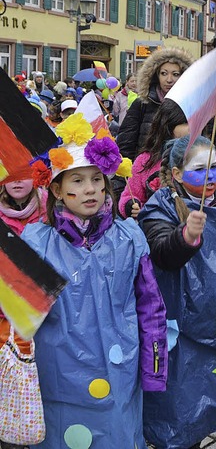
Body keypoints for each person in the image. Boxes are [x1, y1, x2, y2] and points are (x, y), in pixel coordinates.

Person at [20, 114, 168, 448]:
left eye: (96, 180)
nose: (90, 189)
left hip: (120, 373)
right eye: (77, 181)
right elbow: (18, 314)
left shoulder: (130, 239)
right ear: (57, 189)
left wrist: (154, 370)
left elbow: (151, 307)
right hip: (59, 377)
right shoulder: (36, 243)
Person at [138, 135, 216, 449]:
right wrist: (187, 236)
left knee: (204, 401)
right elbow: (163, 253)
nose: (210, 177)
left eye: (214, 167)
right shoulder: (160, 206)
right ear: (176, 174)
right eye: (199, 169)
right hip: (176, 330)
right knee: (173, 404)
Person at [119, 99, 216, 218]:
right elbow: (130, 195)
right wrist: (131, 206)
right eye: (186, 123)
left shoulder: (212, 158)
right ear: (168, 126)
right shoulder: (145, 161)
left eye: (197, 121)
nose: (193, 127)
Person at [0, 179, 47, 449]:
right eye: (10, 172)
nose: (17, 180)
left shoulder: (51, 214)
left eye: (23, 172)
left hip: (46, 330)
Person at [117, 47, 193, 160]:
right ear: (156, 75)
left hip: (181, 173)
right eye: (164, 73)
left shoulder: (193, 105)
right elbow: (125, 143)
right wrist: (133, 170)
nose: (169, 79)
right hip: (145, 171)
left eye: (175, 74)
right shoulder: (142, 104)